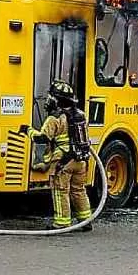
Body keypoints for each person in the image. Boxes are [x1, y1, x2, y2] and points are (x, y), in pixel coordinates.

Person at [19, 80, 93, 231]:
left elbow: (42, 138)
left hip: (63, 162)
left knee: (60, 191)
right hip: (81, 160)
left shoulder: (54, 118)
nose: (48, 100)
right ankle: (86, 221)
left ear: (57, 100)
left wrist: (27, 130)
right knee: (78, 190)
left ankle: (62, 222)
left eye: (51, 97)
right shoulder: (81, 115)